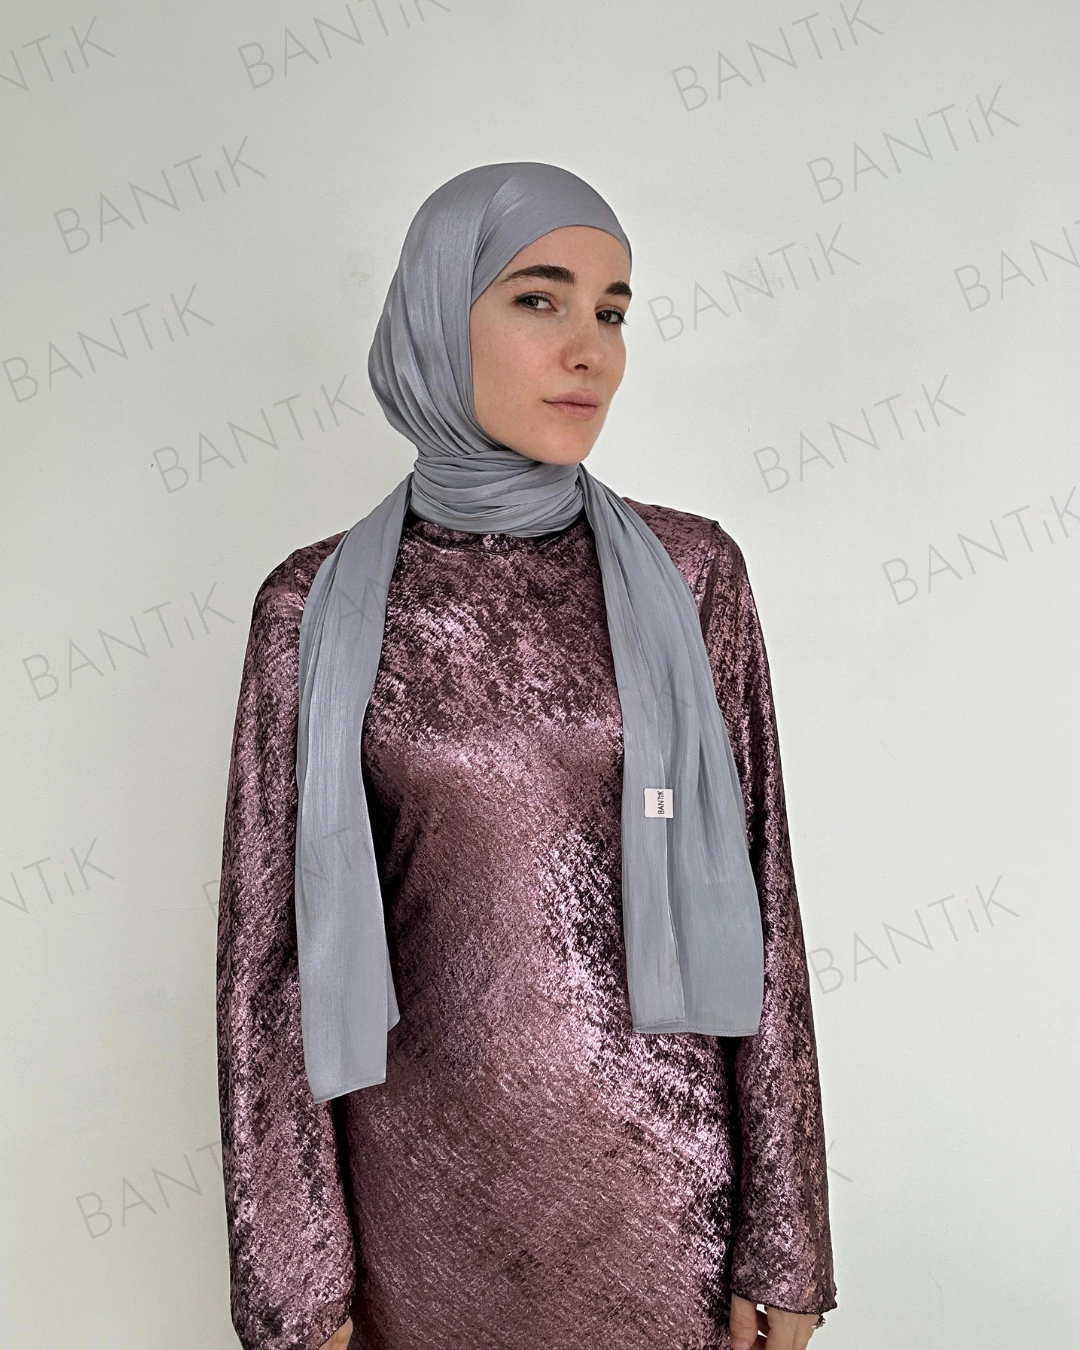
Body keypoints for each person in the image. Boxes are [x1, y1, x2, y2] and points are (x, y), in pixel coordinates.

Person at [216, 162, 837, 1350]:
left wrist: (786, 1239)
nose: (589, 350)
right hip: (414, 1217)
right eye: (539, 299)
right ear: (433, 318)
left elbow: (765, 907)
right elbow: (268, 963)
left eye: (613, 310)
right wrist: (297, 1291)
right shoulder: (314, 606)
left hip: (669, 1210)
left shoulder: (692, 576)